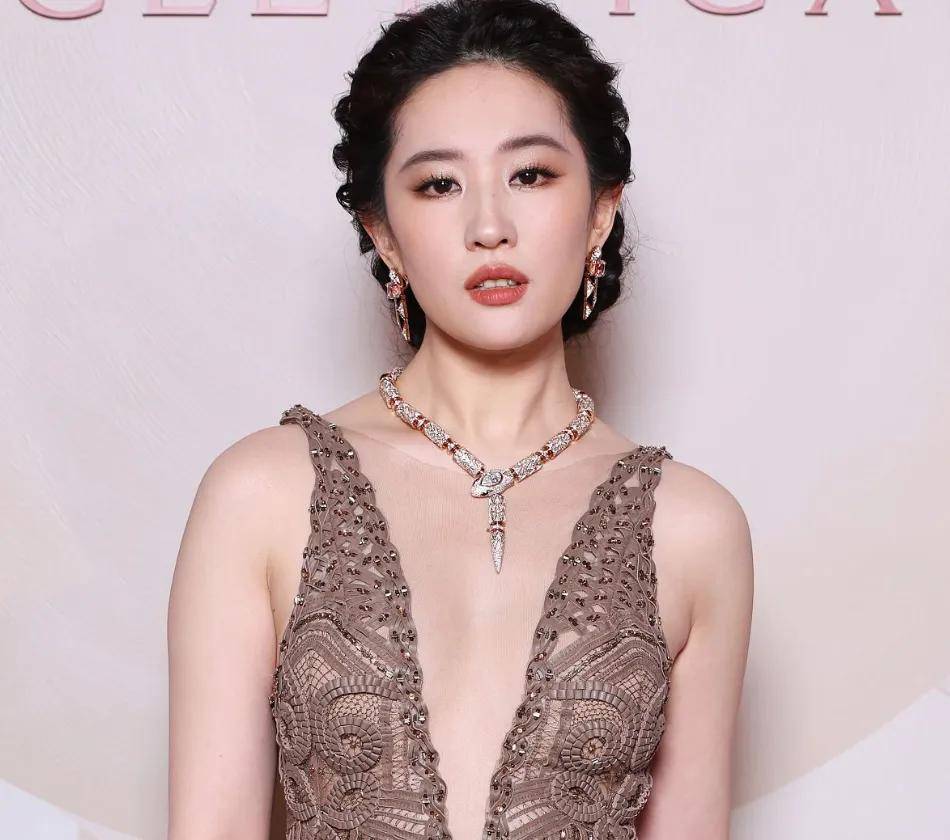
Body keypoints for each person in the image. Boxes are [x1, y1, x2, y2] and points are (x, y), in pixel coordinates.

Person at [166, 1, 754, 838]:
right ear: (384, 233)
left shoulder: (694, 528)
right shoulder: (262, 494)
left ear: (600, 210)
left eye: (531, 175)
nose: (489, 227)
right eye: (439, 184)